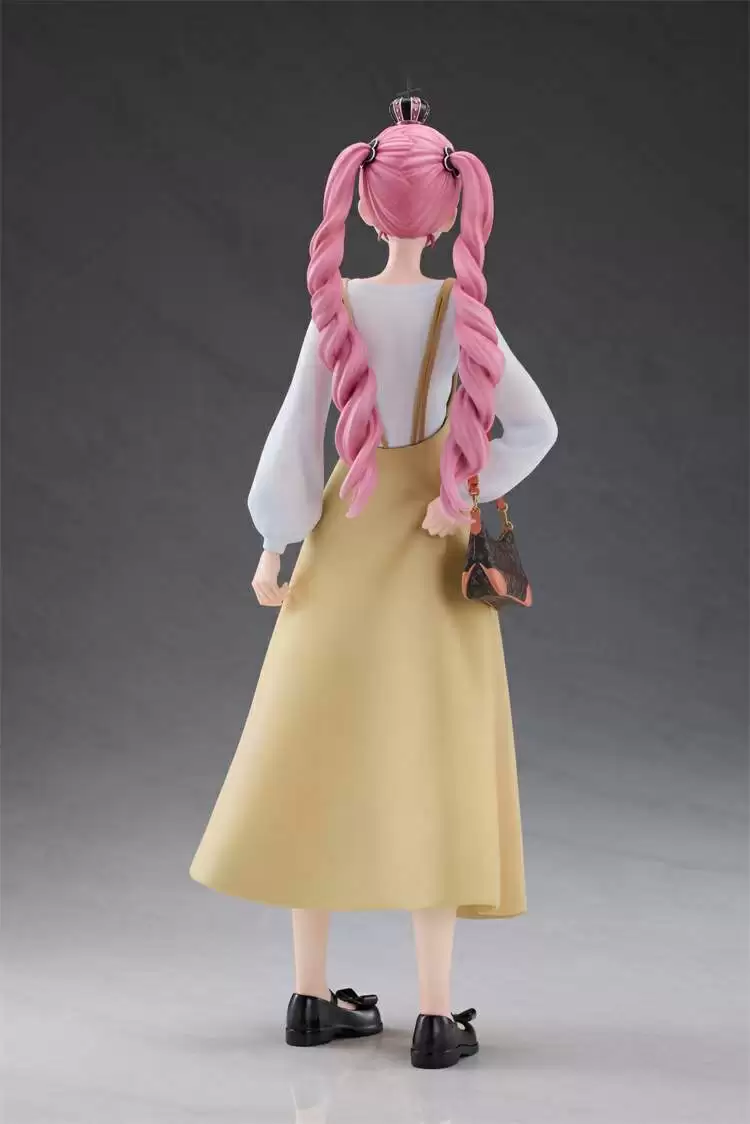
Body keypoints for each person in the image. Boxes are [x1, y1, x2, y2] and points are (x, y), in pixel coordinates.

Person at [189, 92, 558, 1070]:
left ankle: (310, 996)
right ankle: (435, 1016)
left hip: (342, 555)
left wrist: (274, 547)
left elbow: (295, 439)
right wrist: (457, 491)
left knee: (316, 758)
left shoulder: (336, 310)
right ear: (450, 210)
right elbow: (537, 427)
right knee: (432, 766)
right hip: (430, 568)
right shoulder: (460, 314)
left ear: (360, 204)